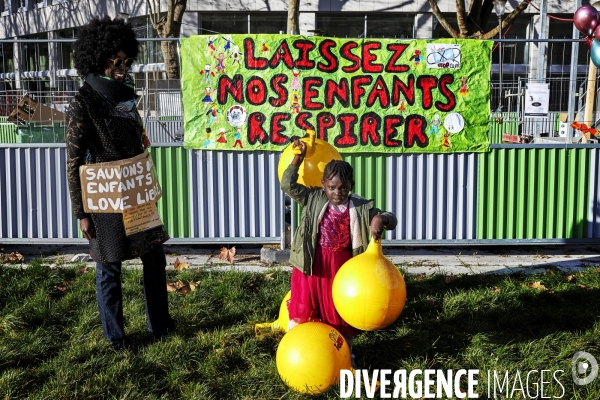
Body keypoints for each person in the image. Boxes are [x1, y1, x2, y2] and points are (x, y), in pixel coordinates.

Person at [65, 16, 174, 350]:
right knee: (108, 268)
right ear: (99, 60)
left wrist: (140, 143)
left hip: (137, 194)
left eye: (127, 61)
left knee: (154, 259)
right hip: (103, 198)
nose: (123, 67)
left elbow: (137, 141)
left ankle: (161, 327)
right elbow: (72, 162)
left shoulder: (127, 98)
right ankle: (117, 338)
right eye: (116, 61)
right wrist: (81, 212)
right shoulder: (82, 103)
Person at [280, 139, 397, 365]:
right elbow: (287, 185)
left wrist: (379, 218)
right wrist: (298, 157)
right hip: (313, 265)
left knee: (341, 310)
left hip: (343, 268)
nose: (337, 192)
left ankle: (344, 353)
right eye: (331, 187)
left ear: (350, 186)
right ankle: (297, 351)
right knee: (307, 307)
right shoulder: (312, 197)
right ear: (323, 184)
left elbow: (392, 218)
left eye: (343, 188)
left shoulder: (360, 206)